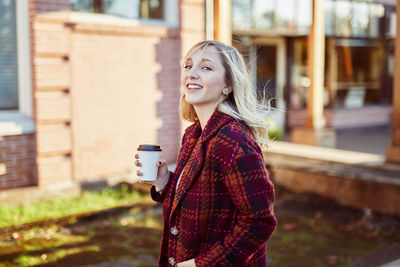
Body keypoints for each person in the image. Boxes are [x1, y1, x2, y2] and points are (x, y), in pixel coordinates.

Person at [135, 40, 276, 267]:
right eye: (188, 66)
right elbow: (195, 205)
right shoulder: (193, 134)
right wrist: (164, 182)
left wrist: (201, 264)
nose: (192, 74)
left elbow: (259, 222)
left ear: (228, 85)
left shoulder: (233, 140)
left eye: (206, 67)